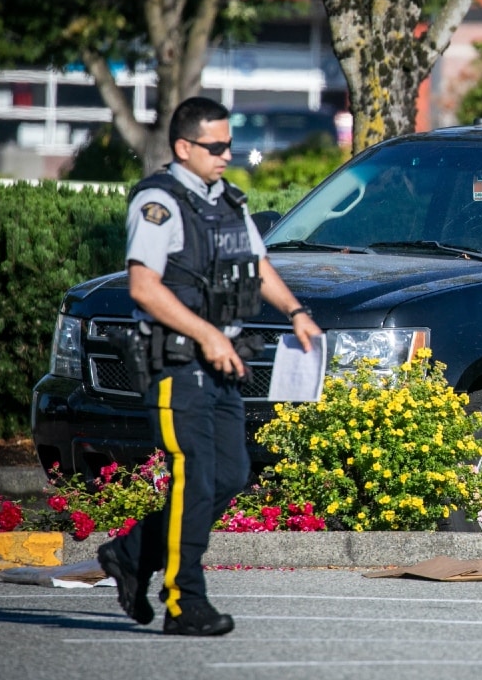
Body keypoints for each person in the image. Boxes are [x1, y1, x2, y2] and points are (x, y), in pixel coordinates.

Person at [97, 97, 322, 636]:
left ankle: (131, 554)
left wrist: (295, 312)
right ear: (184, 147)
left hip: (220, 364)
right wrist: (205, 335)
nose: (228, 155)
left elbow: (258, 264)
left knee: (230, 475)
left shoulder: (227, 200)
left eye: (229, 145)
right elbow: (143, 286)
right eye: (216, 147)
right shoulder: (159, 203)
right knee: (194, 478)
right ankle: (184, 602)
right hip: (176, 365)